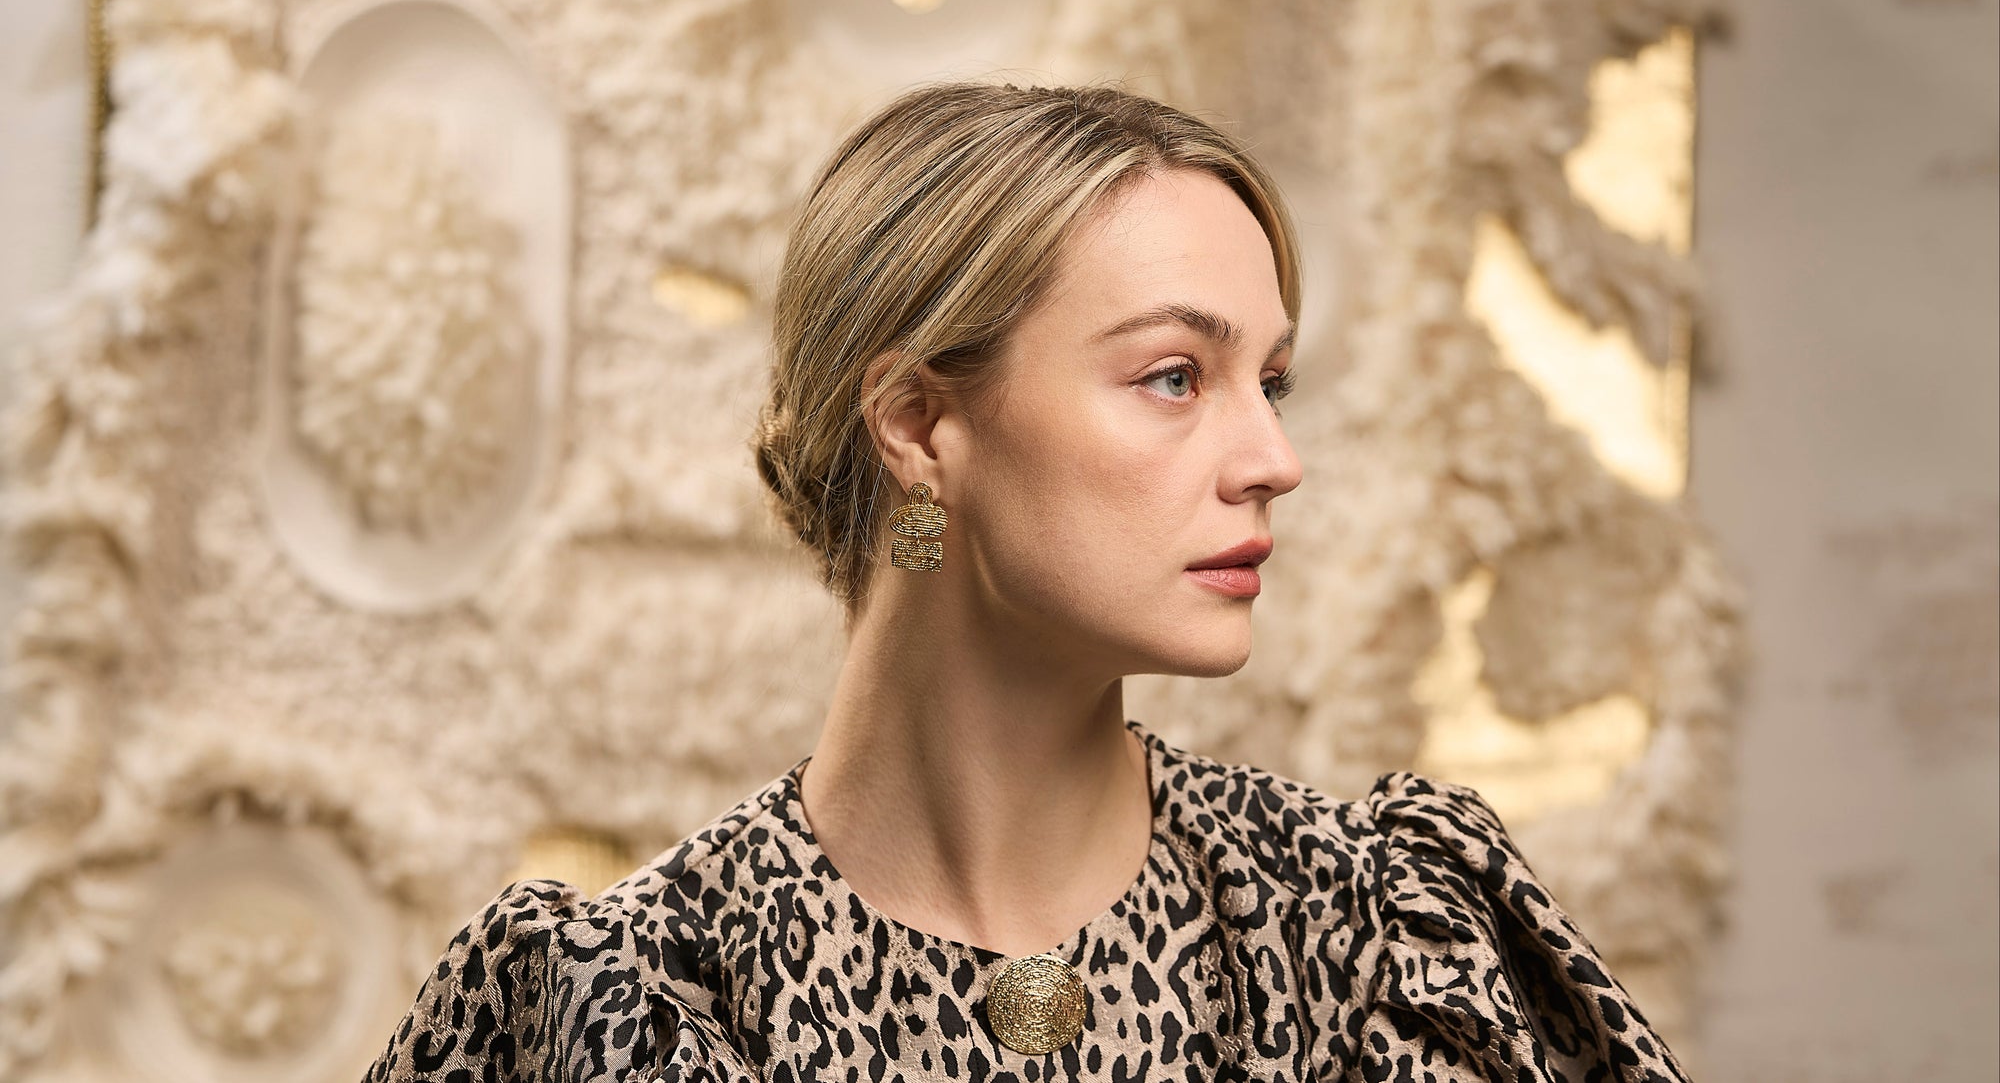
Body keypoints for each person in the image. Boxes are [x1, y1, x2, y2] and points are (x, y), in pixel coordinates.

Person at [364, 82, 1690, 1082]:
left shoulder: (1378, 942)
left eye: (1268, 381)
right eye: (1177, 375)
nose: (1274, 460)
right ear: (920, 425)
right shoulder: (620, 1010)